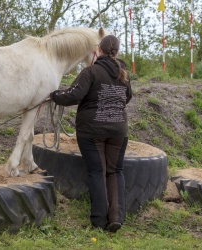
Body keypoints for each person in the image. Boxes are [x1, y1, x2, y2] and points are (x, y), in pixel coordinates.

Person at [49, 35, 132, 233]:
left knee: (97, 172)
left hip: (91, 132)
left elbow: (74, 95)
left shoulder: (91, 72)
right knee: (115, 171)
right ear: (117, 52)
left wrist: (54, 95)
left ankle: (98, 220)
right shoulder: (124, 75)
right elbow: (127, 97)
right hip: (118, 131)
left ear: (98, 50)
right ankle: (116, 218)